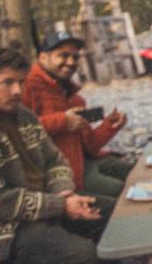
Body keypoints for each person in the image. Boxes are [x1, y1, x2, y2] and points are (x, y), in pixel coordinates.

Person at [0, 46, 105, 264]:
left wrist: (64, 194)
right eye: (7, 83)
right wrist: (59, 206)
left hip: (45, 206)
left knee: (112, 215)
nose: (17, 90)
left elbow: (55, 160)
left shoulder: (23, 116)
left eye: (21, 82)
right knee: (84, 256)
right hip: (2, 231)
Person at [21, 31, 133, 198]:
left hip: (85, 162)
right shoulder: (26, 86)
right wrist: (62, 121)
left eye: (75, 57)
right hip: (59, 174)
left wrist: (110, 126)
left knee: (137, 172)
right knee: (122, 190)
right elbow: (18, 130)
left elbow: (90, 145)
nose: (71, 62)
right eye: (63, 56)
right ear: (43, 57)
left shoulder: (73, 96)